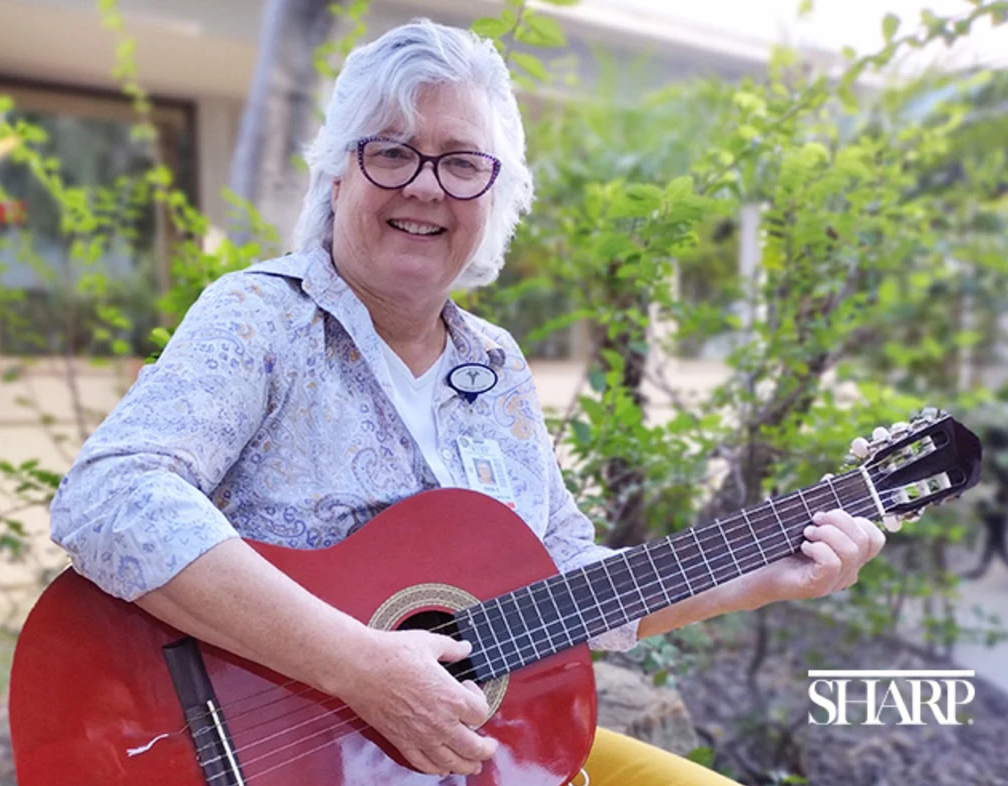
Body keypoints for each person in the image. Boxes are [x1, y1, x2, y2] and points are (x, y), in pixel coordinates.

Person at [49, 19, 885, 785]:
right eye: (391, 152)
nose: (424, 186)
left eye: (459, 162)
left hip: (466, 753)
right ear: (339, 174)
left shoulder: (496, 365)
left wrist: (754, 579)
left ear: (494, 196)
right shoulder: (265, 317)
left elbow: (560, 581)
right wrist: (360, 666)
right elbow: (109, 496)